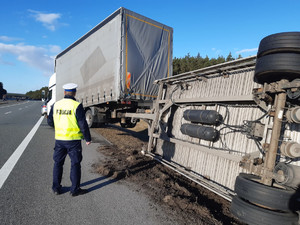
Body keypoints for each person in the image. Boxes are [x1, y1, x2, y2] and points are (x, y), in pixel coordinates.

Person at [47, 83, 91, 196]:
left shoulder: (56, 105)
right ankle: (74, 190)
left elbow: (50, 121)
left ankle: (56, 188)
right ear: (74, 93)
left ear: (64, 92)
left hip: (59, 140)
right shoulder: (76, 105)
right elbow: (83, 124)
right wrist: (87, 138)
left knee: (58, 163)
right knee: (75, 164)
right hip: (74, 141)